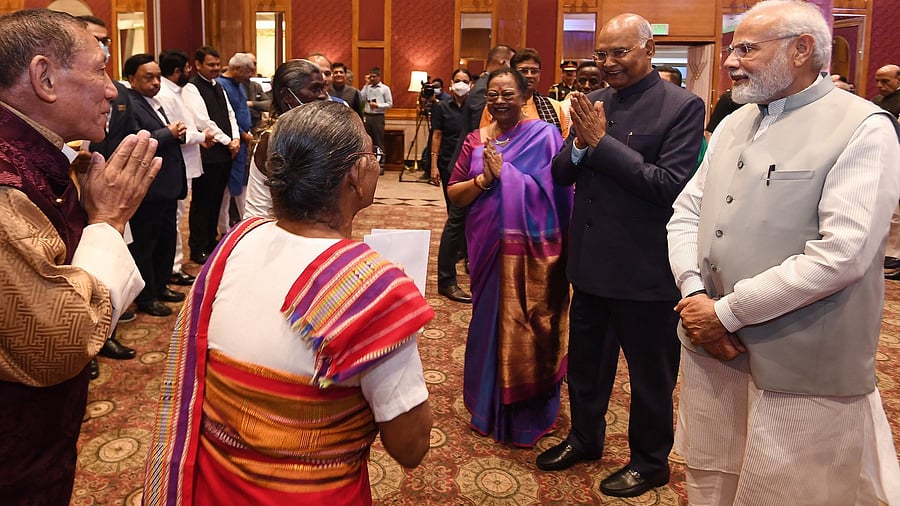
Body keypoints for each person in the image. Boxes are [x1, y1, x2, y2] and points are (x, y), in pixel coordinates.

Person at [143, 100, 433, 505]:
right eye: (372, 155)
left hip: (214, 487)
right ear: (353, 175)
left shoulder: (238, 240)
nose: (375, 165)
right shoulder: (371, 290)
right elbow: (411, 446)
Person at [667, 2, 900, 504]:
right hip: (712, 346)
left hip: (801, 361)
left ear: (801, 49)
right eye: (732, 48)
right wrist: (694, 296)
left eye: (747, 48)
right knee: (715, 477)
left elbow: (842, 253)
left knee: (792, 488)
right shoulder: (733, 122)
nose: (731, 61)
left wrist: (724, 313)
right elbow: (685, 214)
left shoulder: (863, 126)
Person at [536, 13, 705, 499]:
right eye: (601, 54)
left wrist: (600, 143)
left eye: (619, 52)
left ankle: (650, 461)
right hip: (589, 265)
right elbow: (562, 173)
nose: (608, 63)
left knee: (651, 375)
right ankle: (585, 439)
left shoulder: (682, 107)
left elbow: (667, 186)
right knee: (586, 366)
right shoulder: (592, 102)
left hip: (645, 270)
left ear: (648, 50)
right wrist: (584, 149)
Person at [0, 9, 160, 502]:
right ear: (44, 77)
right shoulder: (7, 183)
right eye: (99, 70)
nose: (113, 90)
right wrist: (107, 222)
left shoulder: (38, 157)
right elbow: (60, 341)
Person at [447, 68, 573, 447]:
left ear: (524, 98)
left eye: (508, 95)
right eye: (493, 95)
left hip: (532, 251)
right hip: (486, 248)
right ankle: (487, 405)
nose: (500, 101)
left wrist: (509, 177)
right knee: (488, 325)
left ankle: (525, 413)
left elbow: (558, 192)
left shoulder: (546, 136)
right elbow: (454, 194)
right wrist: (486, 179)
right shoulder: (475, 140)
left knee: (530, 324)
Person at [79, 14, 139, 367]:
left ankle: (105, 335)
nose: (104, 47)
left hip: (108, 185)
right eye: (97, 39)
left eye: (107, 40)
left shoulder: (116, 90)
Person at [123, 53, 188, 317]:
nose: (155, 82)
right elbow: (134, 138)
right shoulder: (128, 103)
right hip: (148, 189)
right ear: (131, 79)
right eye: (148, 77)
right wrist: (168, 133)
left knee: (166, 239)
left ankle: (161, 286)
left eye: (158, 77)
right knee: (145, 244)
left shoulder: (154, 101)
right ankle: (147, 296)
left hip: (167, 186)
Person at [157, 49, 214, 288]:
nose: (189, 73)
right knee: (175, 216)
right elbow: (178, 131)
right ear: (178, 71)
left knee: (177, 215)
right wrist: (202, 137)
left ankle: (173, 265)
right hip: (176, 163)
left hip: (187, 162)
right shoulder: (165, 95)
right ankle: (173, 268)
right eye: (187, 68)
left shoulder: (178, 92)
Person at [244, 59, 329, 218]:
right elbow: (296, 200)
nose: (323, 96)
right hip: (267, 228)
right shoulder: (275, 137)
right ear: (287, 96)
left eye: (323, 88)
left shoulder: (304, 131)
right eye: (315, 89)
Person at [183, 46, 240, 265]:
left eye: (218, 64)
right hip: (208, 153)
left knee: (217, 200)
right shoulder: (192, 88)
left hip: (225, 152)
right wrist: (228, 141)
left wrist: (234, 138)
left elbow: (230, 114)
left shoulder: (219, 87)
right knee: (202, 202)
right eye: (211, 65)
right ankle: (197, 247)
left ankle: (210, 241)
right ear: (198, 65)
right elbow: (202, 121)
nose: (216, 68)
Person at [431, 68, 474, 304]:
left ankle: (467, 254)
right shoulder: (442, 106)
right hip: (449, 164)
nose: (460, 84)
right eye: (457, 80)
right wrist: (434, 166)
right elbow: (436, 135)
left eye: (465, 81)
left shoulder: (476, 104)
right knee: (455, 213)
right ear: (450, 83)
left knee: (467, 214)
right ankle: (457, 258)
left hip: (471, 166)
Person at [480, 48, 568, 139]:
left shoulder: (554, 107)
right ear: (513, 73)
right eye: (523, 71)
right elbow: (484, 140)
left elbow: (564, 144)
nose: (529, 75)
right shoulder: (496, 106)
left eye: (534, 71)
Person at [217, 52, 256, 232]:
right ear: (237, 69)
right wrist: (240, 134)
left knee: (242, 182)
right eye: (248, 71)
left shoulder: (239, 84)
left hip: (243, 141)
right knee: (226, 188)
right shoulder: (221, 85)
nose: (251, 75)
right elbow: (225, 116)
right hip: (231, 143)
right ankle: (224, 228)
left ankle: (244, 224)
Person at [360, 67, 392, 173]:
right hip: (367, 116)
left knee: (379, 141)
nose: (372, 79)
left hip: (378, 117)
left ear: (379, 77)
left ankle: (381, 165)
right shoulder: (367, 88)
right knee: (368, 141)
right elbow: (361, 97)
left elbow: (390, 104)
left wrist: (378, 105)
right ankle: (368, 164)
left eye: (374, 76)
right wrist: (365, 84)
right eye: (370, 76)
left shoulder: (384, 89)